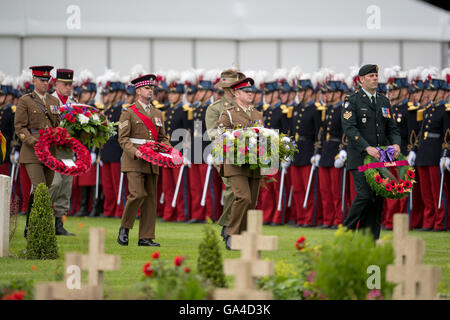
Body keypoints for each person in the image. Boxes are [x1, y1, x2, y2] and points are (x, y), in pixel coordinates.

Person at [342, 64, 401, 241]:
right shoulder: (352, 100)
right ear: (361, 80)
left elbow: (392, 128)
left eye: (376, 75)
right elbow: (349, 128)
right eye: (370, 76)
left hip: (380, 159)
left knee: (377, 198)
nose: (375, 78)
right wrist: (367, 147)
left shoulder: (384, 101)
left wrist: (396, 144)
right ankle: (347, 230)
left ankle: (369, 238)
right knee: (364, 195)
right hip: (360, 157)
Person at [117, 74, 170, 246]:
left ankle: (146, 237)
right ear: (138, 91)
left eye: (152, 88)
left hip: (152, 160)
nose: (151, 91)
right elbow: (123, 138)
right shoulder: (128, 112)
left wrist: (167, 149)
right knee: (137, 194)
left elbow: (162, 137)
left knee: (150, 199)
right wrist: (135, 152)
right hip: (134, 159)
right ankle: (125, 228)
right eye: (147, 88)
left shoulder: (157, 113)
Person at [15, 65, 62, 237]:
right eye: (41, 80)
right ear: (33, 80)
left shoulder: (54, 102)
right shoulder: (25, 100)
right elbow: (19, 127)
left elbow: (58, 125)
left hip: (50, 151)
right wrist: (34, 141)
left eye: (47, 80)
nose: (44, 83)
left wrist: (60, 135)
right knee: (40, 187)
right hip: (32, 152)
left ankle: (36, 225)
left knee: (47, 188)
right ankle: (31, 226)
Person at [216, 77, 263, 250]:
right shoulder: (228, 113)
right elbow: (222, 137)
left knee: (251, 203)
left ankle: (244, 237)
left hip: (254, 164)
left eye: (252, 91)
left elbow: (263, 137)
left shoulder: (257, 114)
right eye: (246, 91)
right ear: (236, 94)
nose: (251, 94)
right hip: (235, 164)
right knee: (243, 197)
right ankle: (231, 233)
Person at [205, 69, 245, 240]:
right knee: (232, 188)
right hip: (224, 154)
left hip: (244, 154)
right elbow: (214, 134)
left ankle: (232, 224)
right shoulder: (215, 108)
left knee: (244, 192)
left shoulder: (245, 107)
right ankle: (228, 224)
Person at [48, 68, 77, 235]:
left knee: (66, 186)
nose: (68, 87)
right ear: (57, 83)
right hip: (52, 149)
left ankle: (59, 224)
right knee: (55, 183)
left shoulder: (73, 102)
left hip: (68, 150)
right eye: (64, 84)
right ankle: (40, 216)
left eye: (70, 84)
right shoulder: (50, 100)